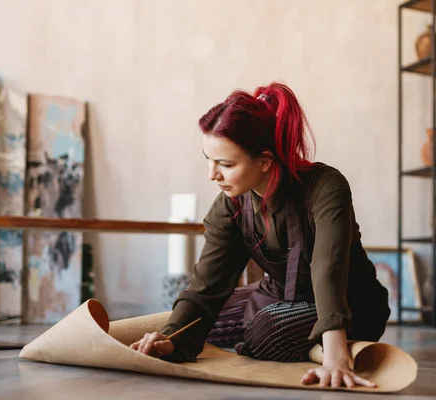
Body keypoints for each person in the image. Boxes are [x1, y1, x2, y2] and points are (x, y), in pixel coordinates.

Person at [130, 82, 390, 388]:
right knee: (195, 322)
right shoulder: (230, 205)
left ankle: (315, 346)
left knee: (265, 328)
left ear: (265, 161)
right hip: (277, 298)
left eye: (225, 164)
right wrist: (173, 337)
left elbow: (327, 269)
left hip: (346, 304)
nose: (212, 174)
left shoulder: (326, 187)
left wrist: (335, 357)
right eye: (209, 160)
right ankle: (290, 342)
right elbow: (207, 286)